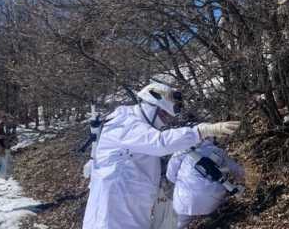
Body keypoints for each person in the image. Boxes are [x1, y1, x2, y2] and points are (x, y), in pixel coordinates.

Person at [82, 82, 241, 229]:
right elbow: (160, 143)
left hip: (131, 209)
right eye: (164, 115)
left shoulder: (139, 126)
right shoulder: (125, 123)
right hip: (110, 213)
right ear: (152, 107)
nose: (165, 121)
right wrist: (200, 131)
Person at [166, 139, 245, 228]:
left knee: (177, 223)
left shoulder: (182, 151)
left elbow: (170, 175)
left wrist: (181, 181)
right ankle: (214, 218)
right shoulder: (218, 152)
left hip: (184, 201)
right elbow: (239, 171)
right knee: (218, 197)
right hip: (212, 202)